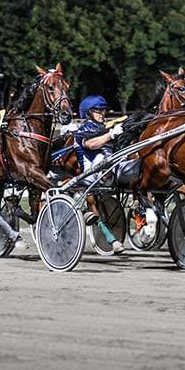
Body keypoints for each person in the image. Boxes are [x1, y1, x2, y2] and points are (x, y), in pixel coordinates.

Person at [74, 95, 125, 253]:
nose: (102, 113)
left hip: (109, 171)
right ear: (89, 113)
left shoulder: (103, 128)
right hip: (92, 174)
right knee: (102, 157)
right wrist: (111, 135)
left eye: (103, 110)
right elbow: (91, 144)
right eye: (98, 110)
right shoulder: (84, 129)